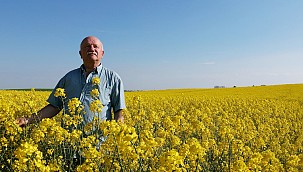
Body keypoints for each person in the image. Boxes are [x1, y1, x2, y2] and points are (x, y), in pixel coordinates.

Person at [17, 36, 126, 127]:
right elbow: (54, 106)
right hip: (71, 146)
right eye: (87, 47)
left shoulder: (113, 78)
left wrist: (117, 137)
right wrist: (28, 120)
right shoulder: (68, 78)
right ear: (80, 54)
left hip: (101, 145)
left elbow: (119, 111)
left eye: (95, 46)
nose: (92, 49)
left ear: (102, 53)